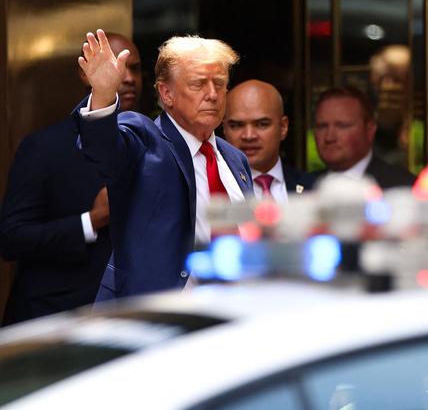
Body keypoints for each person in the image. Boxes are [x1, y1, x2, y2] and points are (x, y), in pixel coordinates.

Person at [76, 29, 253, 301]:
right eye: (198, 84)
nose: (212, 94)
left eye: (219, 84)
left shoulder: (234, 159)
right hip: (157, 318)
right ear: (166, 93)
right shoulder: (145, 138)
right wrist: (102, 94)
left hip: (230, 318)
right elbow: (102, 150)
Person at [0, 33, 142, 325]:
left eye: (135, 68)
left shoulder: (156, 145)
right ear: (84, 72)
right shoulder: (45, 146)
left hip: (129, 319)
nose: (126, 77)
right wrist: (91, 220)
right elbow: (12, 238)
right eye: (116, 65)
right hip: (54, 322)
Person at [223, 79, 315, 202]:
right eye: (237, 125)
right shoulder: (211, 191)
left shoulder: (315, 189)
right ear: (224, 129)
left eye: (261, 124)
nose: (249, 136)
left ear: (283, 127)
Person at [311, 86, 416, 189]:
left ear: (369, 130)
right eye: (322, 126)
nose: (329, 137)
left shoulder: (403, 187)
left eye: (342, 126)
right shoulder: (303, 187)